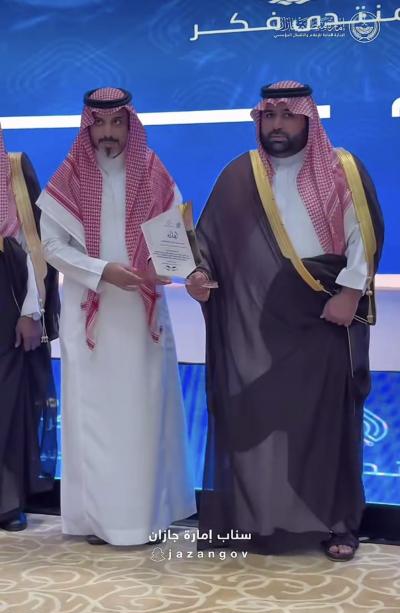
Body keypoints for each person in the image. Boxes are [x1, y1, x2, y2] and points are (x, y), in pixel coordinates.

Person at [187, 80, 384, 561]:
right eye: (268, 116)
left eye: (286, 116)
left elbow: (363, 235)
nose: (276, 126)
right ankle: (257, 521)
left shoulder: (342, 168)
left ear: (307, 119)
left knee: (328, 424)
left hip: (328, 316)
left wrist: (350, 292)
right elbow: (208, 241)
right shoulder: (241, 174)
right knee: (260, 419)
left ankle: (338, 524)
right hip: (264, 322)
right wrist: (198, 275)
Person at [37, 87, 196, 546]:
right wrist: (102, 271)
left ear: (130, 125)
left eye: (117, 123)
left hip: (142, 316)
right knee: (96, 420)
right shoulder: (68, 177)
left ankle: (146, 517)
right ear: (88, 126)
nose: (108, 133)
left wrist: (167, 268)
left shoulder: (154, 173)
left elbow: (175, 242)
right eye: (100, 124)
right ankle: (99, 520)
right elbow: (52, 247)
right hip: (92, 315)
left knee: (144, 417)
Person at [0, 127, 59, 532]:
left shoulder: (14, 171)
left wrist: (30, 312)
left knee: (7, 407)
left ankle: (6, 501)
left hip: (7, 298)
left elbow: (32, 248)